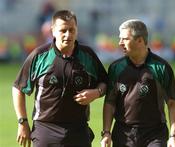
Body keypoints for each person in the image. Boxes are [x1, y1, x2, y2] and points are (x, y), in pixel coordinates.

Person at [12, 10, 107, 147]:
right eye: (63, 30)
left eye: (71, 30)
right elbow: (18, 88)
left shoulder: (88, 56)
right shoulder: (40, 55)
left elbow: (104, 82)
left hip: (78, 129)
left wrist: (96, 93)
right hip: (45, 129)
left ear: (77, 30)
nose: (68, 35)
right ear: (53, 31)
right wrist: (22, 122)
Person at [101, 19, 175, 147]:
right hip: (123, 134)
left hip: (155, 135)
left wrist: (174, 136)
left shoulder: (161, 67)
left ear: (140, 40)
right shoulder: (116, 68)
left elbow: (172, 103)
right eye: (120, 38)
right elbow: (110, 102)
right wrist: (106, 133)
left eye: (125, 39)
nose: (120, 43)